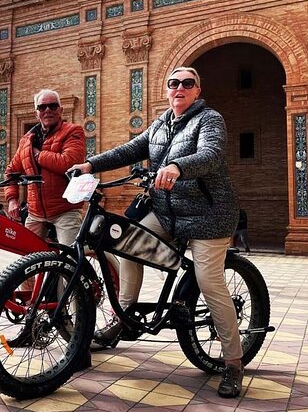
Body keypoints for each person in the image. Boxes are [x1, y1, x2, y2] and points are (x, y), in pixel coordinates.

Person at [69, 66, 243, 398]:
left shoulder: (209, 119)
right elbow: (128, 150)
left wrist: (179, 166)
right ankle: (125, 315)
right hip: (168, 213)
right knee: (125, 242)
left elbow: (211, 154)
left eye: (187, 83)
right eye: (173, 83)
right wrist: (90, 165)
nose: (179, 87)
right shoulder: (161, 124)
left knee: (209, 281)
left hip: (209, 215)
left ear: (196, 89)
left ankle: (233, 361)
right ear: (166, 90)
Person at [5, 88, 86, 247]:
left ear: (60, 110)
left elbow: (68, 162)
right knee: (25, 260)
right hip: (35, 212)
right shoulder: (26, 141)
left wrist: (37, 155)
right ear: (36, 113)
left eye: (53, 106)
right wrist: (12, 199)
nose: (47, 110)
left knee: (70, 260)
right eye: (42, 107)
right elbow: (11, 171)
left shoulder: (72, 131)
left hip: (65, 210)